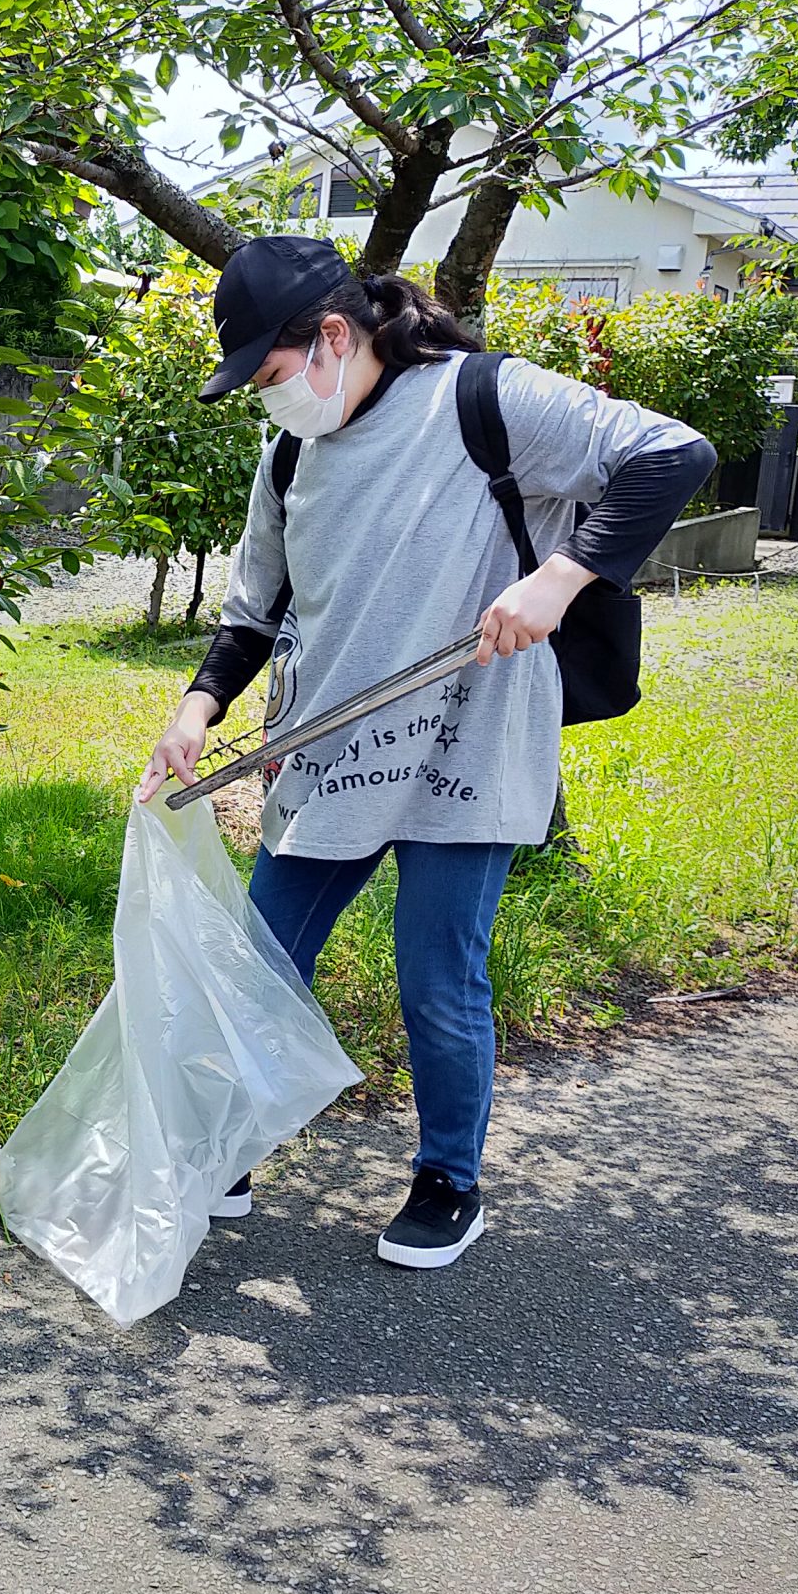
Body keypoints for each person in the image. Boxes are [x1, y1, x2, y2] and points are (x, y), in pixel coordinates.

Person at [138, 236, 712, 1269]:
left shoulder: (483, 400)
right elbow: (252, 605)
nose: (271, 401)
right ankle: (230, 1144)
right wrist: (197, 707)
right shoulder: (290, 452)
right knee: (259, 964)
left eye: (269, 377)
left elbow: (670, 453)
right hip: (327, 745)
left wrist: (561, 578)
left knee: (436, 976)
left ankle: (449, 1178)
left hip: (470, 735)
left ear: (329, 336)